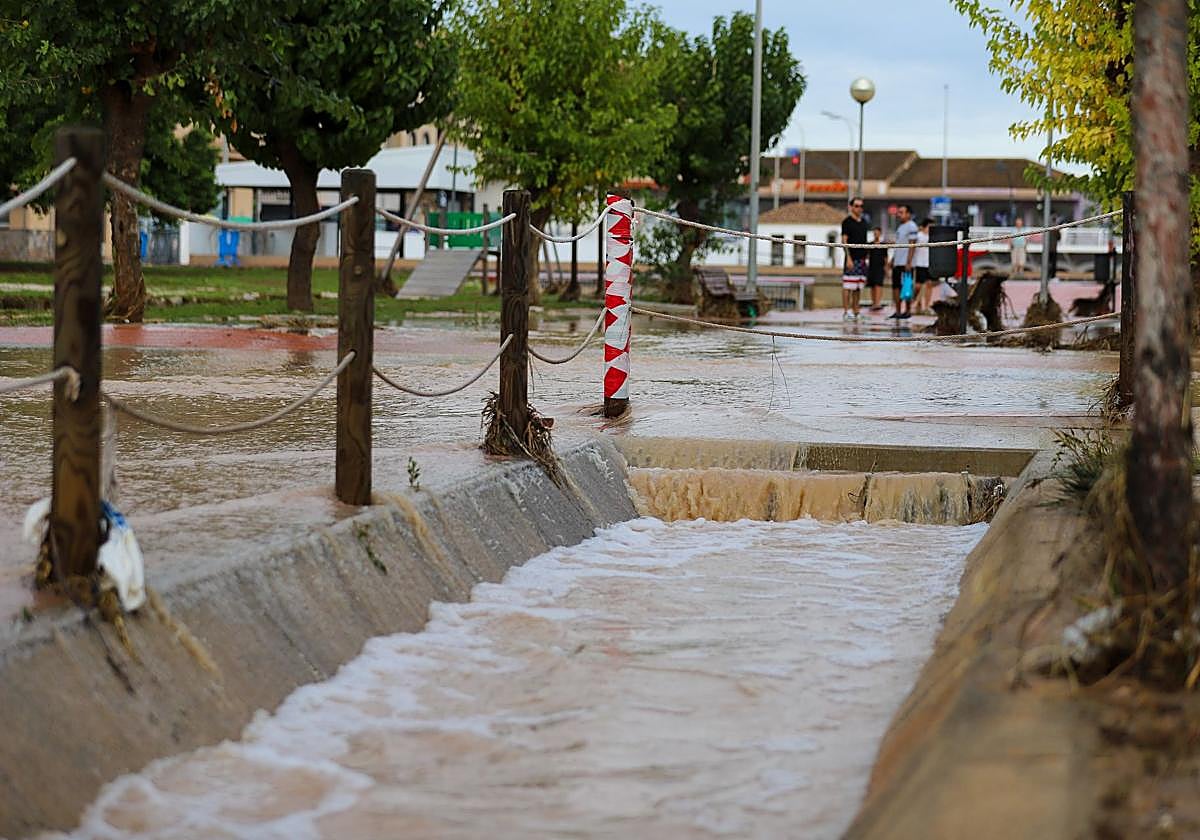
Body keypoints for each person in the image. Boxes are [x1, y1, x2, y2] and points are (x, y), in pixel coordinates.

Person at [840, 197, 869, 321]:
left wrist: (866, 257)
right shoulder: (847, 222)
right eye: (856, 206)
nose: (859, 208)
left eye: (861, 206)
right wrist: (848, 258)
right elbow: (844, 240)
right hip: (852, 258)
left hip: (862, 259)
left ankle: (856, 310)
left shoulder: (864, 222)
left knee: (858, 286)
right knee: (848, 285)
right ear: (851, 207)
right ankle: (846, 311)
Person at [887, 204, 919, 319]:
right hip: (897, 263)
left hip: (906, 263)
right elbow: (898, 245)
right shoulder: (900, 227)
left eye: (901, 212)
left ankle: (908, 310)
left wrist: (909, 262)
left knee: (907, 286)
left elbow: (912, 245)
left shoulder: (912, 226)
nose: (899, 215)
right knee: (896, 287)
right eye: (898, 212)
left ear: (908, 214)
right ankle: (898, 310)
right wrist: (892, 259)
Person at [913, 218, 933, 314]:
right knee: (918, 286)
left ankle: (927, 306)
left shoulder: (933, 237)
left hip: (929, 263)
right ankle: (918, 303)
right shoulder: (918, 236)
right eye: (930, 226)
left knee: (929, 284)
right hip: (919, 263)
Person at [866, 226, 886, 311]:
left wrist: (886, 268)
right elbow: (867, 256)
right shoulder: (870, 245)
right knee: (872, 285)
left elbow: (886, 258)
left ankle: (878, 302)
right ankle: (873, 302)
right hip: (871, 267)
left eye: (877, 232)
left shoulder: (883, 245)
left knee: (879, 285)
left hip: (880, 267)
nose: (876, 234)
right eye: (875, 233)